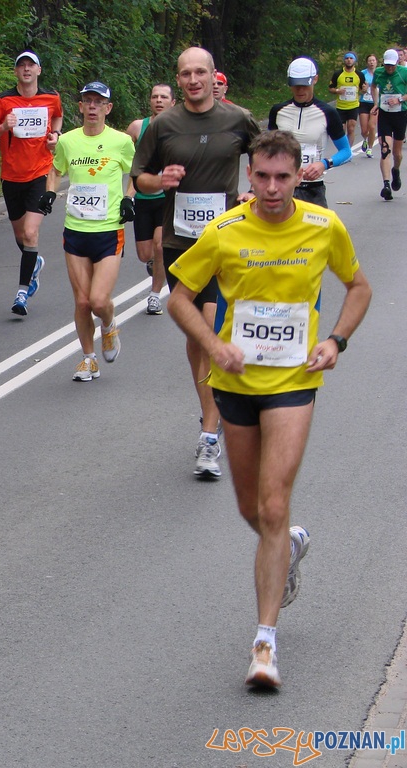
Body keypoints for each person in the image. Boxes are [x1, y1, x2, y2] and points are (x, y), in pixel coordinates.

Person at [167, 130, 371, 689]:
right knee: (251, 510)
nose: (273, 188)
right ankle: (292, 545)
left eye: (284, 176)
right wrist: (213, 347)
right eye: (263, 177)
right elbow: (178, 297)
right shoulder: (226, 231)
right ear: (249, 176)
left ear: (300, 174)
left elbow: (358, 287)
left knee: (273, 506)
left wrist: (335, 342)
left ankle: (264, 644)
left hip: (292, 382)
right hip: (234, 382)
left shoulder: (323, 226)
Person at [131, 46, 261, 480]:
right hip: (180, 242)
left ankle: (209, 435)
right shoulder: (165, 125)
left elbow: (266, 159)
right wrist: (159, 180)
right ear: (179, 78)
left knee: (211, 327)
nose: (192, 80)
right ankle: (214, 417)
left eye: (200, 72)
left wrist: (253, 193)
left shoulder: (237, 119)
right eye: (185, 73)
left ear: (212, 77)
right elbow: (140, 177)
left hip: (226, 241)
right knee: (198, 336)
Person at [40, 81, 134, 381]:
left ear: (108, 108)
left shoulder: (121, 141)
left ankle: (108, 325)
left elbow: (139, 171)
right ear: (80, 107)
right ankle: (88, 358)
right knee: (81, 301)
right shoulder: (68, 141)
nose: (92, 106)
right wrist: (50, 193)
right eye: (87, 101)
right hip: (76, 230)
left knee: (98, 300)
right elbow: (56, 169)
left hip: (108, 230)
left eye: (98, 102)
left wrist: (130, 197)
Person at [0, 51, 63, 316]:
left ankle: (22, 293)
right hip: (11, 176)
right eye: (21, 66)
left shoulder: (52, 97)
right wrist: (3, 126)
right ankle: (33, 261)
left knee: (30, 233)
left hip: (40, 173)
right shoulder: (3, 100)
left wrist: (56, 135)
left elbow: (58, 117)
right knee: (21, 236)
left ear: (39, 70)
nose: (26, 69)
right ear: (16, 72)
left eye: (31, 65)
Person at [268, 57, 352, 208]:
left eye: (304, 85)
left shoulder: (327, 112)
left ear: (315, 80)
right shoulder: (278, 111)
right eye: (295, 85)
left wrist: (324, 164)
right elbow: (265, 150)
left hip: (313, 190)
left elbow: (346, 151)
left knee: (318, 231)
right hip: (282, 188)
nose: (300, 90)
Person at [125, 83, 176, 315]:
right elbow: (121, 153)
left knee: (160, 245)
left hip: (167, 198)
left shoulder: (180, 128)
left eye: (163, 97)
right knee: (145, 254)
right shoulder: (137, 127)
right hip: (143, 197)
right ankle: (155, 264)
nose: (158, 100)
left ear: (172, 102)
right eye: (154, 96)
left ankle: (154, 296)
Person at [370, 49, 407, 200]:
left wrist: (400, 100)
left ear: (397, 63)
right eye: (387, 65)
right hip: (385, 114)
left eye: (392, 66)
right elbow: (373, 87)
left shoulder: (403, 72)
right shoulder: (379, 72)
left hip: (400, 114)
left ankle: (396, 171)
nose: (389, 68)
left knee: (397, 154)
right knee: (385, 149)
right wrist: (376, 103)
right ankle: (386, 185)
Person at [328, 52, 362, 148]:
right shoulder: (338, 74)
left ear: (354, 60)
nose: (349, 60)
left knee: (351, 129)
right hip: (341, 106)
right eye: (347, 58)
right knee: (342, 130)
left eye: (351, 58)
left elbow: (362, 89)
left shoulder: (359, 74)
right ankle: (343, 149)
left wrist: (364, 88)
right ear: (344, 60)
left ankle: (349, 150)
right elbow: (330, 88)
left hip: (353, 106)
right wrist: (337, 90)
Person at [359, 53, 378, 157]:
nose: (371, 62)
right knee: (364, 130)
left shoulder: (380, 73)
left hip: (375, 103)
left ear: (376, 62)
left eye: (373, 60)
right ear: (367, 62)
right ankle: (365, 139)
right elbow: (359, 89)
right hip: (364, 102)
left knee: (372, 126)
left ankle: (370, 148)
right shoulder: (362, 73)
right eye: (370, 61)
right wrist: (363, 90)